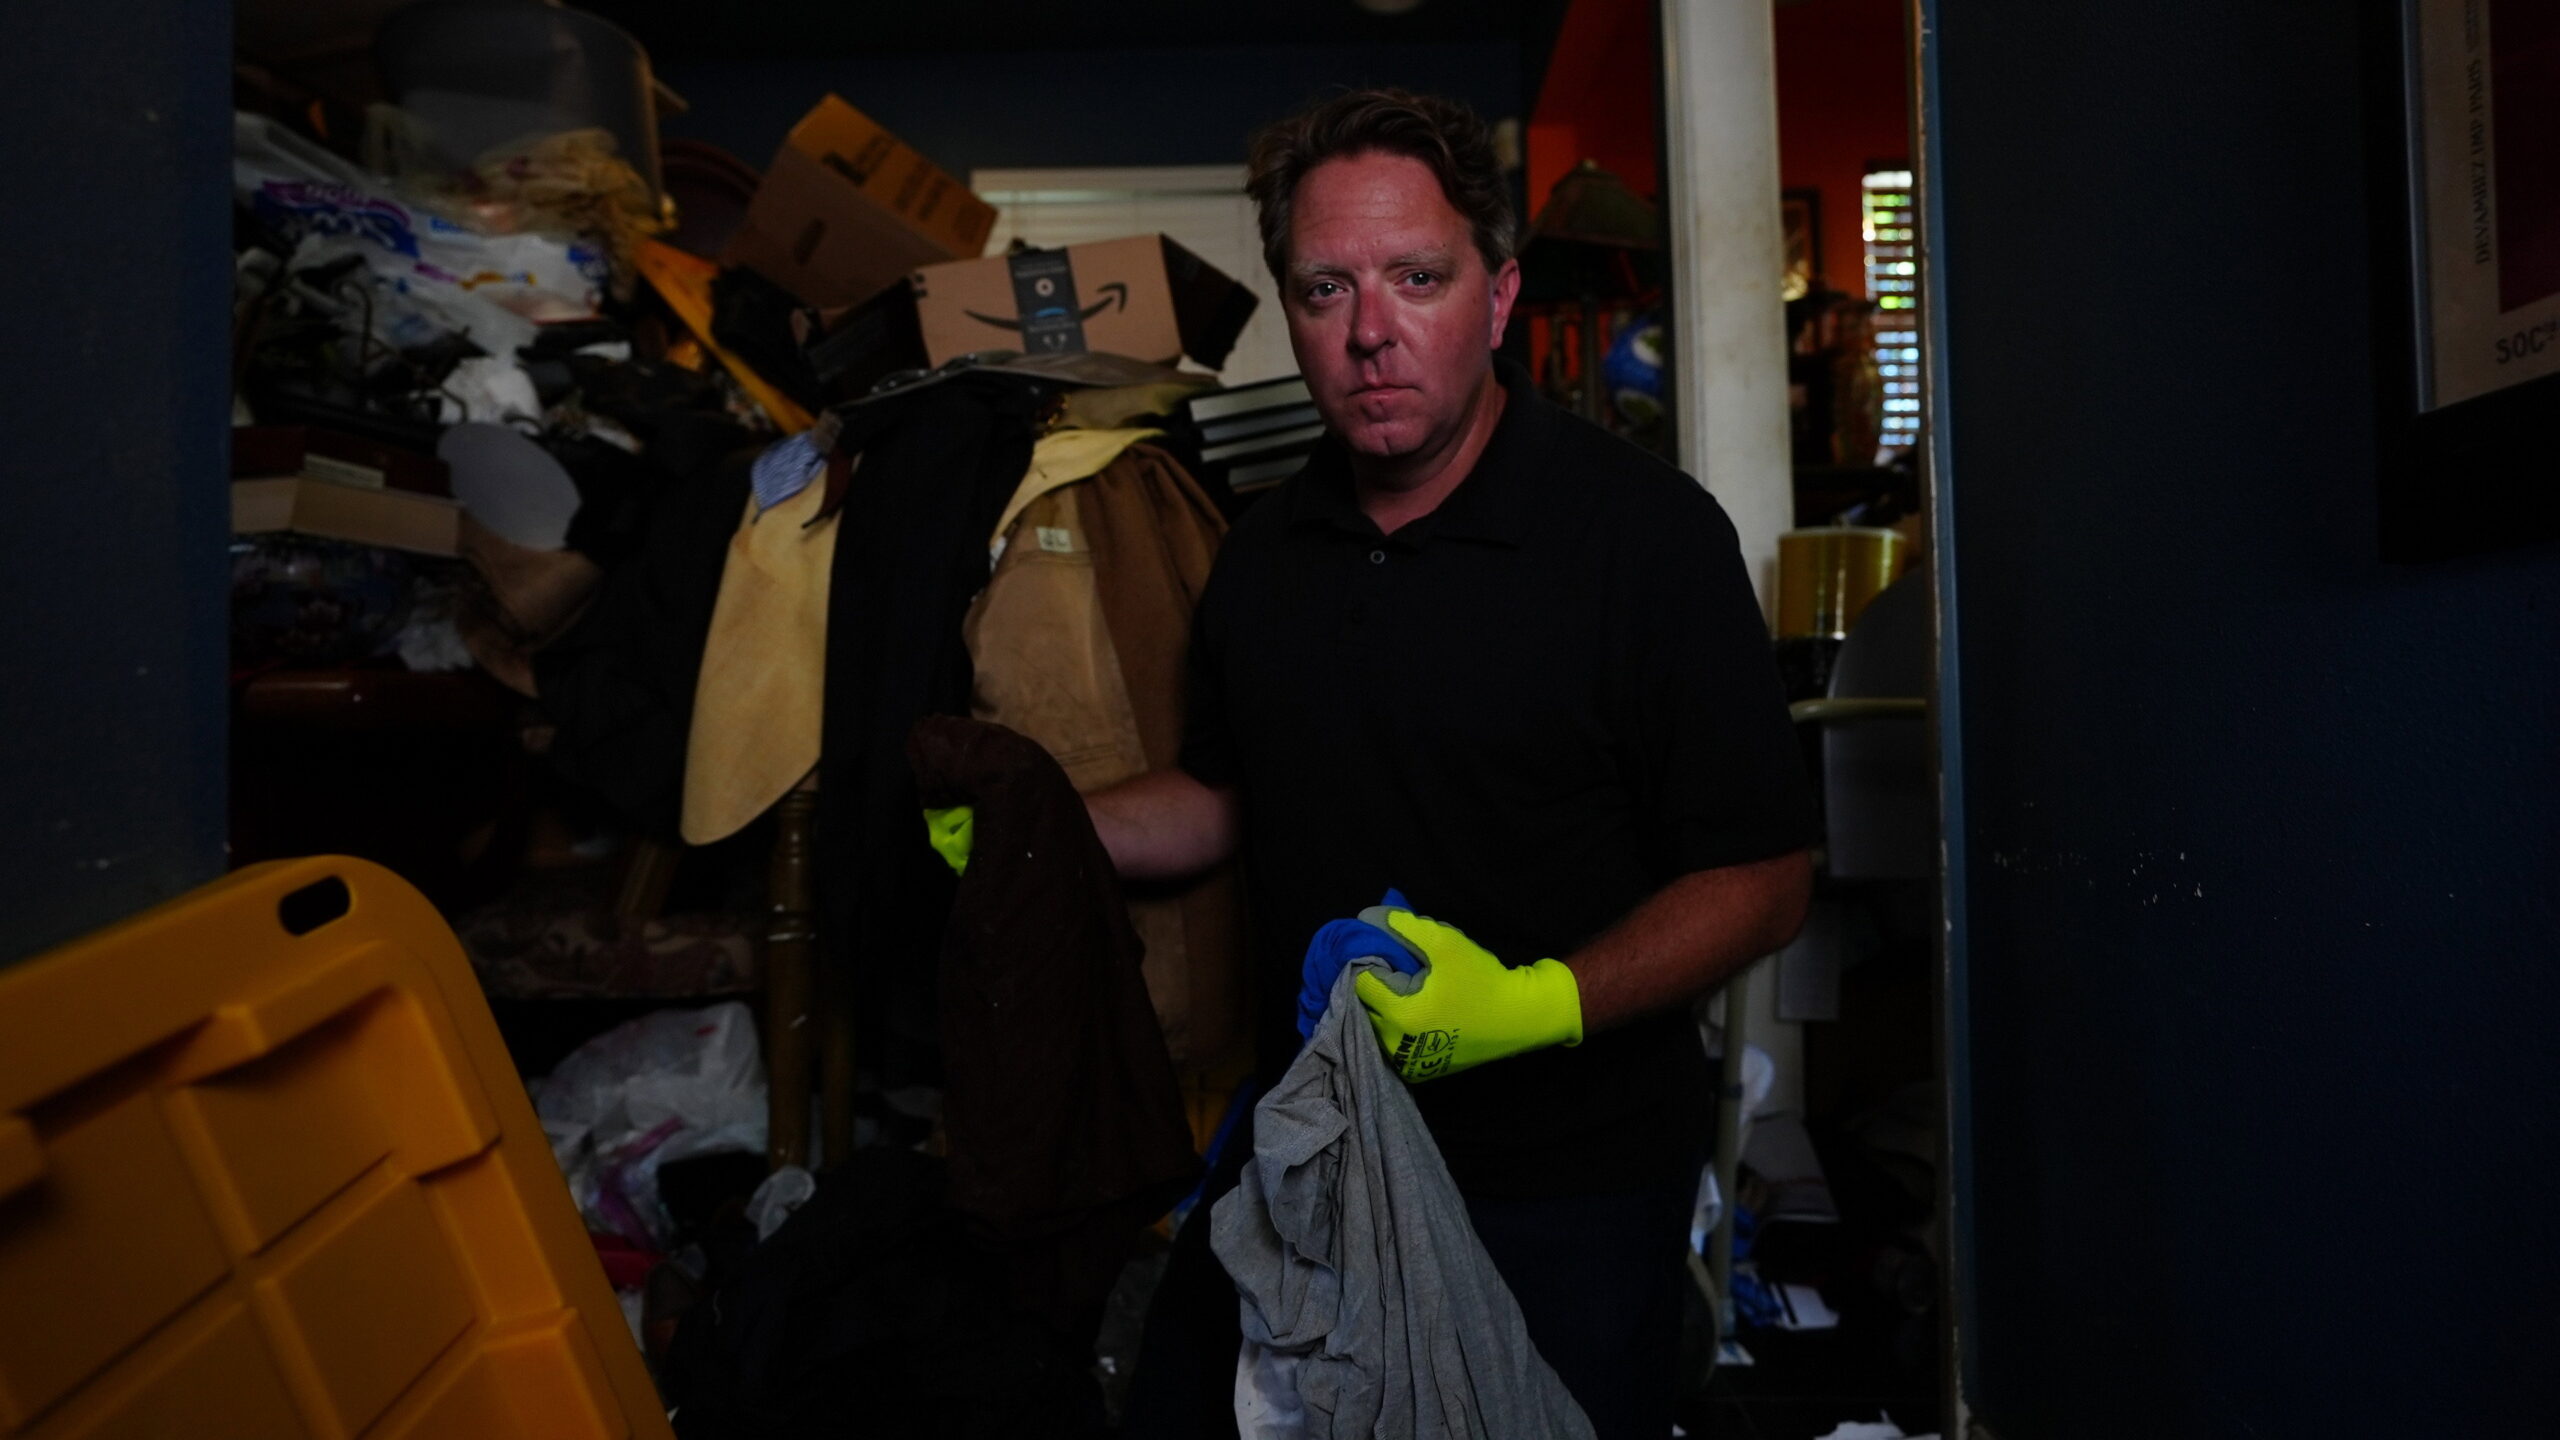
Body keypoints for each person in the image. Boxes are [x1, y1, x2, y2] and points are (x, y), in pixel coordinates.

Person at [1092, 89, 1816, 1439]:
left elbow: (1765, 877)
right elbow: (1227, 792)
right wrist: (1042, 823)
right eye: (1327, 288)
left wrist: (1537, 1004)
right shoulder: (1263, 556)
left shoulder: (1644, 540)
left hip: (1566, 1182)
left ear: (1497, 298)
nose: (1370, 330)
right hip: (1315, 1148)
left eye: (1417, 278)